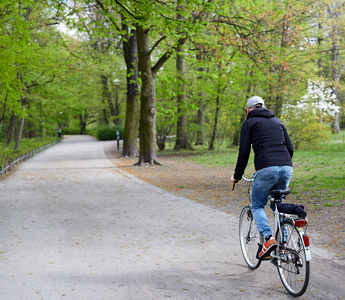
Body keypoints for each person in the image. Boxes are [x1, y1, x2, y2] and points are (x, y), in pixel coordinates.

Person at [231, 96, 294, 259]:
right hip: (287, 167)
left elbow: (243, 153)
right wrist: (281, 166)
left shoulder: (249, 123)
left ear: (249, 109)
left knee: (257, 206)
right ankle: (284, 246)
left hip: (266, 168)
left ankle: (268, 239)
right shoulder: (278, 122)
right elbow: (290, 148)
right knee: (278, 206)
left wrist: (237, 176)